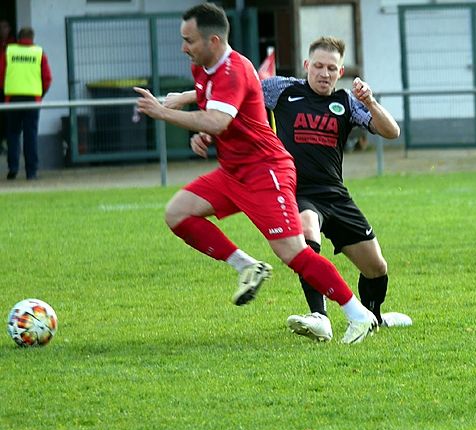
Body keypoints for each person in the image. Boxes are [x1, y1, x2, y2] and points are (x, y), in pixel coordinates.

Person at [136, 2, 378, 344]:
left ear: (213, 41)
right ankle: (247, 266)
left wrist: (164, 112)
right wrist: (203, 128)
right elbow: (220, 114)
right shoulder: (203, 67)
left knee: (294, 252)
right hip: (233, 172)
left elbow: (218, 120)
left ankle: (358, 314)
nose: (183, 47)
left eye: (189, 40)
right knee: (177, 213)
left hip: (266, 172)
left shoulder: (234, 69)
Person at [251, 35, 411, 341]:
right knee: (307, 233)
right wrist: (190, 104)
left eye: (331, 68)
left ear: (341, 72)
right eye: (318, 66)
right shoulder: (282, 89)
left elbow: (392, 132)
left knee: (376, 267)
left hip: (335, 195)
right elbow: (236, 93)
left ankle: (374, 318)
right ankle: (319, 316)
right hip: (297, 191)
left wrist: (370, 102)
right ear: (306, 65)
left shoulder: (346, 102)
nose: (324, 73)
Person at [1, 27, 51, 180]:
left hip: (13, 99)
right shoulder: (39, 52)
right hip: (32, 100)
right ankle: (31, 171)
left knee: (13, 134)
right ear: (33, 38)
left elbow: (1, 75)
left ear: (18, 37)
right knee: (31, 135)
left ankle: (13, 168)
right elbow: (47, 78)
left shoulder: (9, 51)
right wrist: (40, 94)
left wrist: (5, 92)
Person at [0, 19, 17, 155]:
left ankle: (7, 141)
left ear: (9, 29)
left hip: (10, 86)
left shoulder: (14, 44)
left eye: (4, 27)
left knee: (9, 116)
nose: (2, 30)